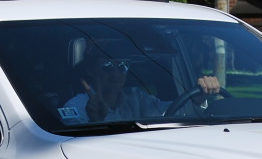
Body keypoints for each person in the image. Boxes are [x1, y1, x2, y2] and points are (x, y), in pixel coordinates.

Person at [58, 47, 221, 124]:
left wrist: (199, 97)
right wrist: (94, 121)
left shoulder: (137, 98)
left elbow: (172, 114)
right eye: (107, 66)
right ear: (91, 71)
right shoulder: (76, 107)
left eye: (122, 66)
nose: (115, 74)